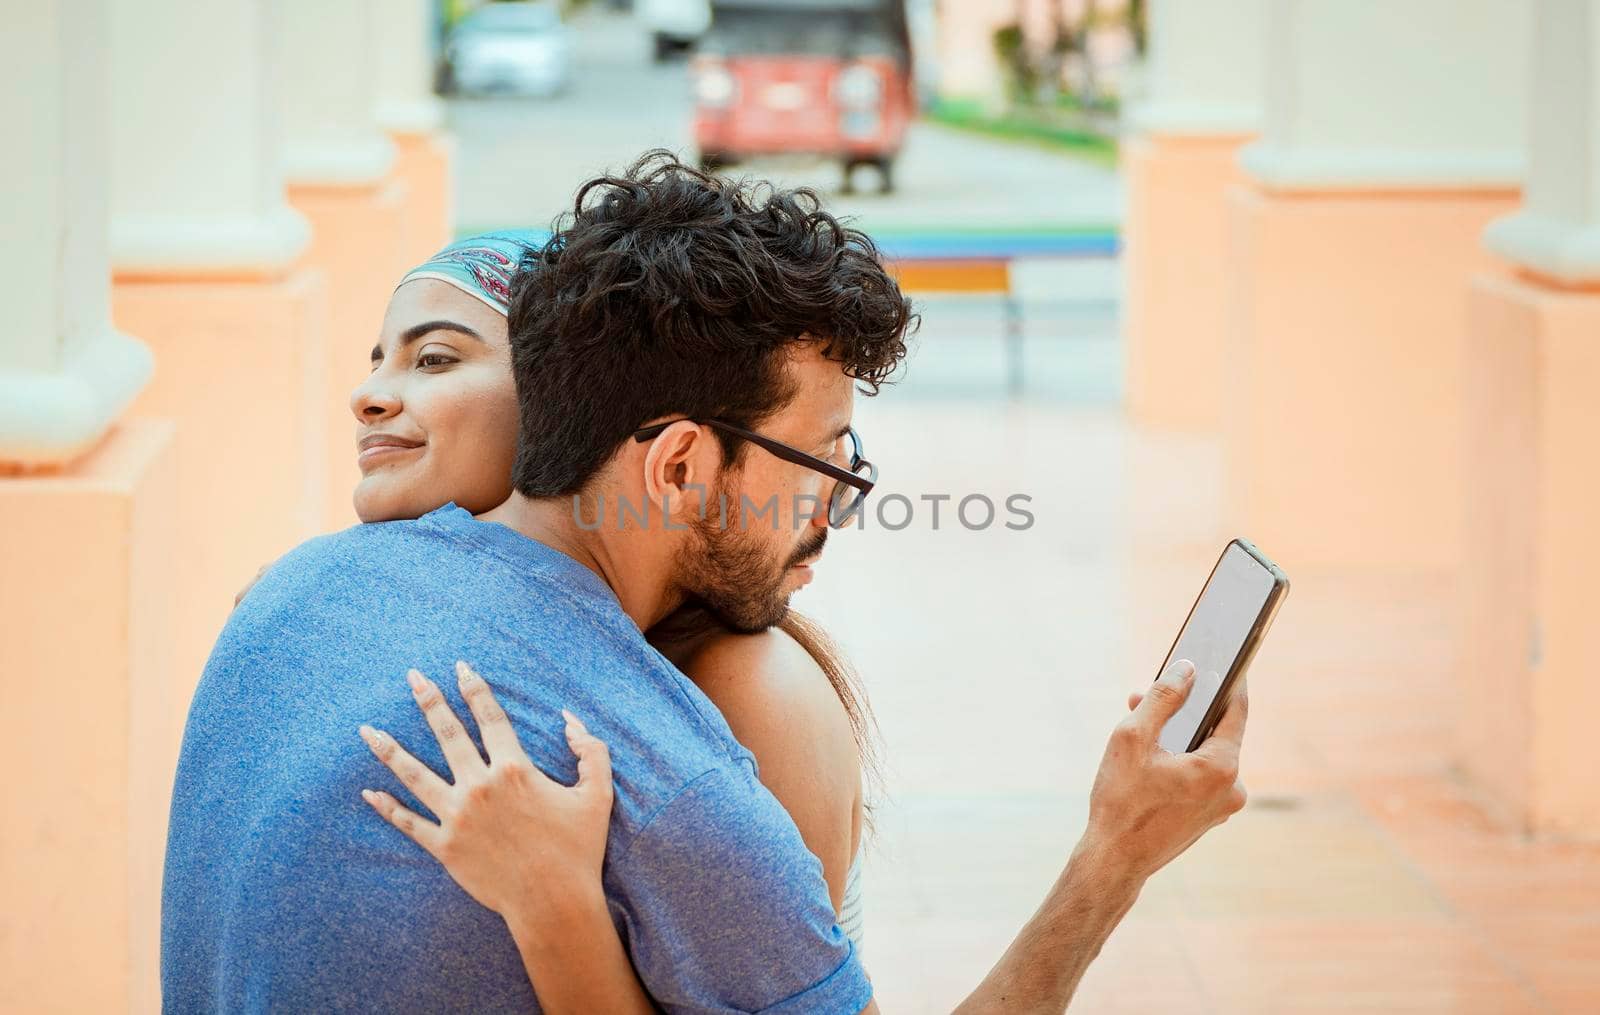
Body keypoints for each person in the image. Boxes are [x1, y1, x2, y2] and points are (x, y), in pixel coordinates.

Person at [164, 151, 1247, 1014]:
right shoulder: (658, 769)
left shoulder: (284, 596)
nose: (837, 503)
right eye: (822, 460)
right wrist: (1115, 853)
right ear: (677, 463)